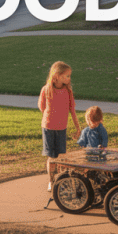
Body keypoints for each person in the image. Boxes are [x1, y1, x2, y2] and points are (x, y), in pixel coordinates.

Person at [38, 61, 81, 191]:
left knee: (61, 156)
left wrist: (77, 127)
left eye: (69, 76)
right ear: (56, 76)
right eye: (66, 76)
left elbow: (72, 110)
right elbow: (42, 107)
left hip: (62, 128)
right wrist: (51, 117)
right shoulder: (46, 90)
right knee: (51, 156)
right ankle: (51, 181)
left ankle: (61, 181)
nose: (69, 79)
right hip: (48, 128)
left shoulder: (68, 91)